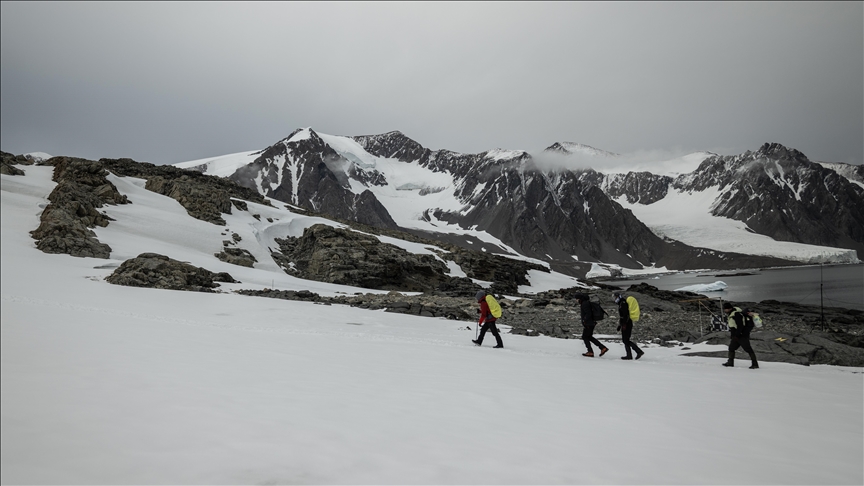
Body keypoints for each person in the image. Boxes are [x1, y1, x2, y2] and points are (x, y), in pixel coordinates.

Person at [722, 302, 759, 369]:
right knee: (731, 348)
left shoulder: (736, 314)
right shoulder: (732, 313)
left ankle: (755, 364)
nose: (724, 310)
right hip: (736, 336)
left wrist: (737, 335)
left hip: (741, 335)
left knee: (748, 349)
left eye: (725, 309)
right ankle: (730, 362)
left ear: (729, 308)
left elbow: (740, 325)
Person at [574, 293, 608, 357]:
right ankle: (602, 348)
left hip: (588, 323)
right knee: (589, 337)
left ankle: (590, 351)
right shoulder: (586, 302)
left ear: (580, 299)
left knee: (585, 337)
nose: (576, 300)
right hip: (591, 323)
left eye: (577, 299)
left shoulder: (584, 304)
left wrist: (585, 320)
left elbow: (588, 313)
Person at [614, 292, 644, 360]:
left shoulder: (623, 303)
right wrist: (620, 325)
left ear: (619, 296)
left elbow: (625, 315)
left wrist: (624, 324)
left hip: (627, 323)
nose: (615, 299)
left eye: (615, 297)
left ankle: (638, 351)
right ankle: (629, 355)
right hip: (626, 323)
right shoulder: (621, 303)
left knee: (625, 340)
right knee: (625, 340)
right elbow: (622, 316)